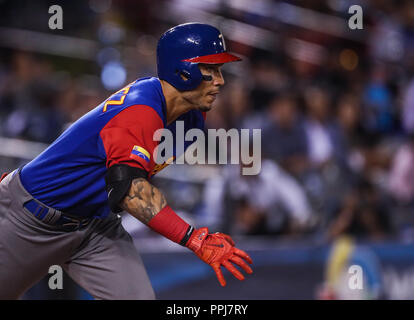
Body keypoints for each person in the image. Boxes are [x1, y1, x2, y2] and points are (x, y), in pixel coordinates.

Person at [0, 22, 253, 300]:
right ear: (183, 71)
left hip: (95, 227)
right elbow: (130, 191)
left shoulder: (191, 118)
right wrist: (193, 238)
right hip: (31, 219)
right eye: (211, 69)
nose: (220, 80)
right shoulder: (140, 109)